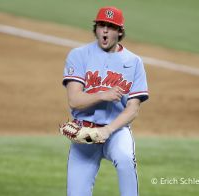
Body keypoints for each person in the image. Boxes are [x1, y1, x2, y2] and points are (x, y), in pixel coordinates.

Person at [62, 6, 149, 196]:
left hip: (116, 131)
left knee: (126, 158)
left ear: (119, 31)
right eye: (102, 25)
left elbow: (133, 109)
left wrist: (107, 130)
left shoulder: (134, 62)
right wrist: (103, 94)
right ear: (96, 29)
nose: (105, 30)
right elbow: (75, 101)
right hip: (84, 134)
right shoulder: (78, 55)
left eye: (111, 26)